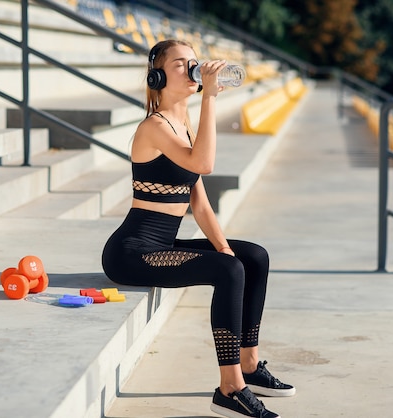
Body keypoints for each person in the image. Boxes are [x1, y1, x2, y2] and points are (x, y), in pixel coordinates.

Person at [102, 39, 295, 418]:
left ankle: (250, 365)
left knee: (251, 257)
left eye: (194, 61)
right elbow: (204, 164)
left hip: (162, 242)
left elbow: (199, 201)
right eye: (180, 64)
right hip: (132, 252)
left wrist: (222, 245)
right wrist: (209, 98)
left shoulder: (183, 125)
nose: (192, 68)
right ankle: (230, 387)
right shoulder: (154, 127)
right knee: (228, 270)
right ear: (157, 77)